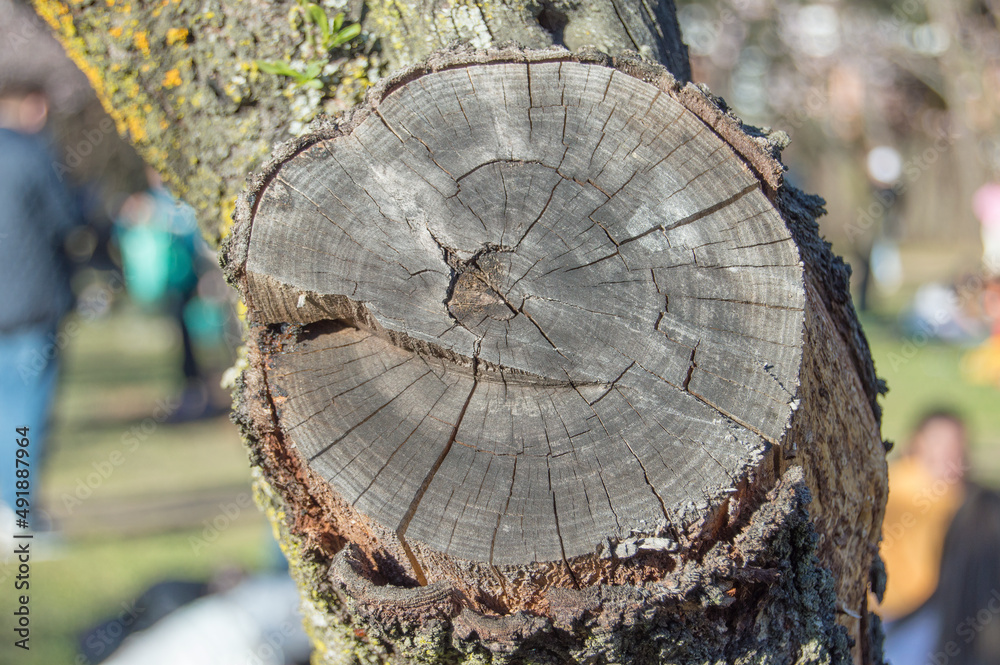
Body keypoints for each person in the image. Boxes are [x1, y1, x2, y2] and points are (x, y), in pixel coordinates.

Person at [0, 80, 81, 540]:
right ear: (33, 107)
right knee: (25, 414)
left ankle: (7, 508)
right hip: (31, 306)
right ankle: (22, 516)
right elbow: (67, 221)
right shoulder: (32, 154)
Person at [878, 410, 970, 663]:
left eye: (956, 444)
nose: (950, 452)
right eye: (941, 442)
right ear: (917, 441)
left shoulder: (891, 475)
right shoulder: (912, 484)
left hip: (908, 606)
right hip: (902, 609)